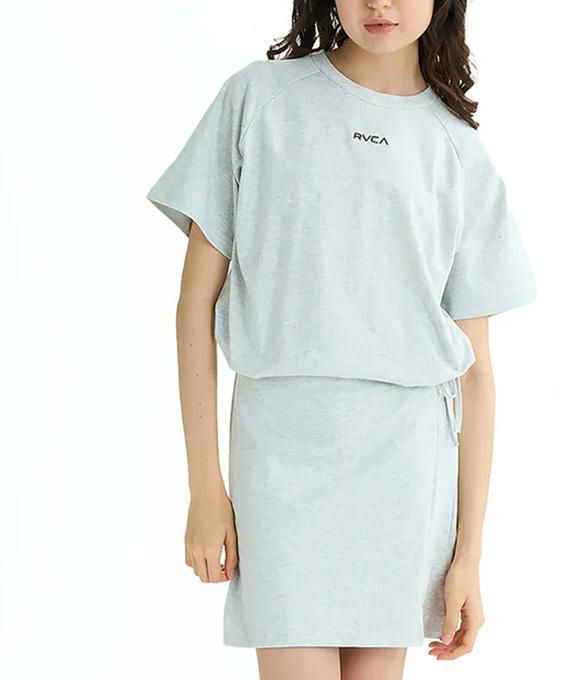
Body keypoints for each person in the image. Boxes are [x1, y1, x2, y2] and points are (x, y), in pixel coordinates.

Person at [145, 1, 538, 679]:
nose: (379, 3)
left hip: (405, 466)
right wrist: (205, 488)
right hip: (280, 454)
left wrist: (468, 555)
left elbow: (475, 373)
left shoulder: (456, 149)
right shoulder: (260, 99)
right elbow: (194, 305)